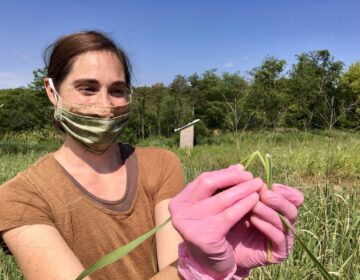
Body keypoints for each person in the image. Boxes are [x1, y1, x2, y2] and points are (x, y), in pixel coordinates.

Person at [0, 31, 303, 280]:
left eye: (117, 90)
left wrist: (215, 259)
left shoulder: (159, 164)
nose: (106, 105)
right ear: (52, 92)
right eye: (87, 89)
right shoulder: (18, 198)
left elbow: (171, 265)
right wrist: (195, 268)